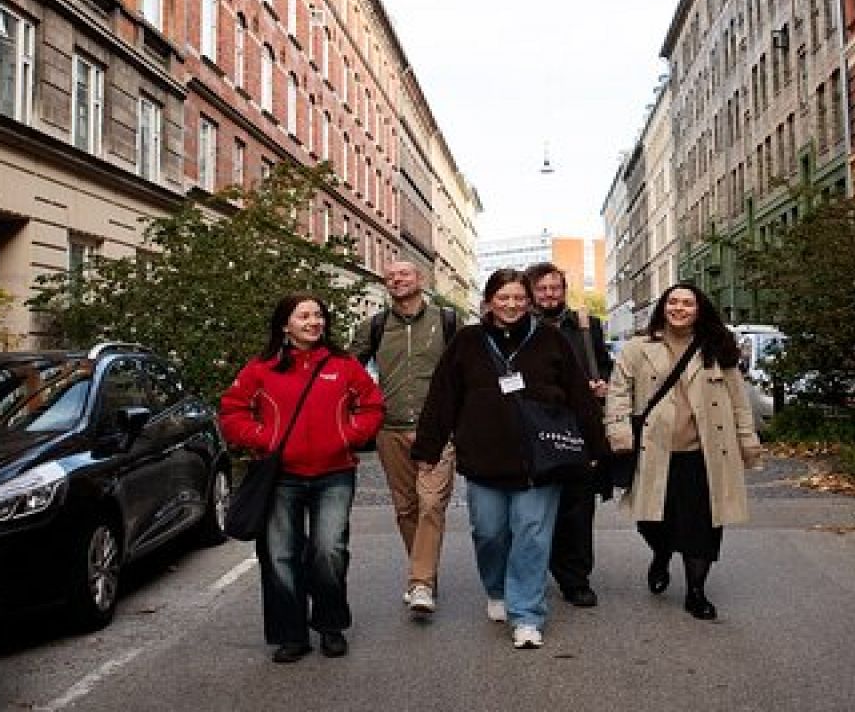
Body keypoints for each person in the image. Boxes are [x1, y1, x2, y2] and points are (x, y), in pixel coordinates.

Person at [411, 268, 605, 650]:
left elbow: (578, 396)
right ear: (488, 303)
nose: (512, 305)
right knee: (489, 533)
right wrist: (428, 450)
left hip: (540, 461)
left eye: (519, 298)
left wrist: (595, 448)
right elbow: (442, 397)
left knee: (532, 535)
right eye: (504, 298)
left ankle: (528, 614)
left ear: (528, 302)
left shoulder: (550, 340)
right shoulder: (468, 341)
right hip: (484, 458)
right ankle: (497, 588)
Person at [221, 294, 385, 663]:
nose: (314, 322)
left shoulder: (342, 365)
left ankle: (330, 626)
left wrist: (348, 436)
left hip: (335, 474)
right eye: (304, 316)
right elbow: (232, 413)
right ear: (285, 325)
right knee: (280, 555)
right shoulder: (260, 369)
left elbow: (373, 405)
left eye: (318, 315)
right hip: (280, 476)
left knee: (329, 551)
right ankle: (290, 634)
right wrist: (265, 439)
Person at [606, 282, 763, 621]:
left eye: (687, 303)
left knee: (703, 525)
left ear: (699, 310)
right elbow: (618, 393)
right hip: (655, 450)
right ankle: (661, 553)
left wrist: (747, 440)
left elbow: (738, 400)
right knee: (650, 521)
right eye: (673, 302)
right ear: (663, 307)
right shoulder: (637, 348)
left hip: (706, 453)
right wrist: (618, 431)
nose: (679, 308)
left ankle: (696, 592)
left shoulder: (717, 347)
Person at [352, 259, 459, 615]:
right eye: (391, 276)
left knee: (430, 503)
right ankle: (424, 572)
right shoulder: (375, 326)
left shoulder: (446, 321)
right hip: (390, 430)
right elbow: (348, 371)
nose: (397, 279)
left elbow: (469, 370)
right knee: (406, 508)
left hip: (437, 431)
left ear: (421, 280)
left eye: (404, 274)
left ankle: (420, 583)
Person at [522, 262, 611, 608]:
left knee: (578, 507)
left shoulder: (587, 327)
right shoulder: (521, 328)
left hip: (579, 427)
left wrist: (603, 383)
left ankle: (576, 579)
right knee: (536, 508)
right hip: (535, 428)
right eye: (542, 289)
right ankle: (534, 570)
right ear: (531, 292)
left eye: (555, 288)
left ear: (563, 289)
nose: (549, 294)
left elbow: (603, 364)